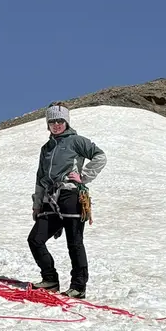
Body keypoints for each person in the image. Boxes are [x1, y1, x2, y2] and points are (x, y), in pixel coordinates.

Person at [27, 104, 105, 300]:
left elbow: (100, 156)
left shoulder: (76, 141)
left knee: (74, 243)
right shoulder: (46, 148)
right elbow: (40, 177)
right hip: (50, 199)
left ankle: (78, 287)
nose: (56, 125)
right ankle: (50, 279)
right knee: (35, 239)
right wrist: (37, 204)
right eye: (52, 121)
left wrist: (84, 176)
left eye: (60, 121)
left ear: (66, 122)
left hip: (70, 196)